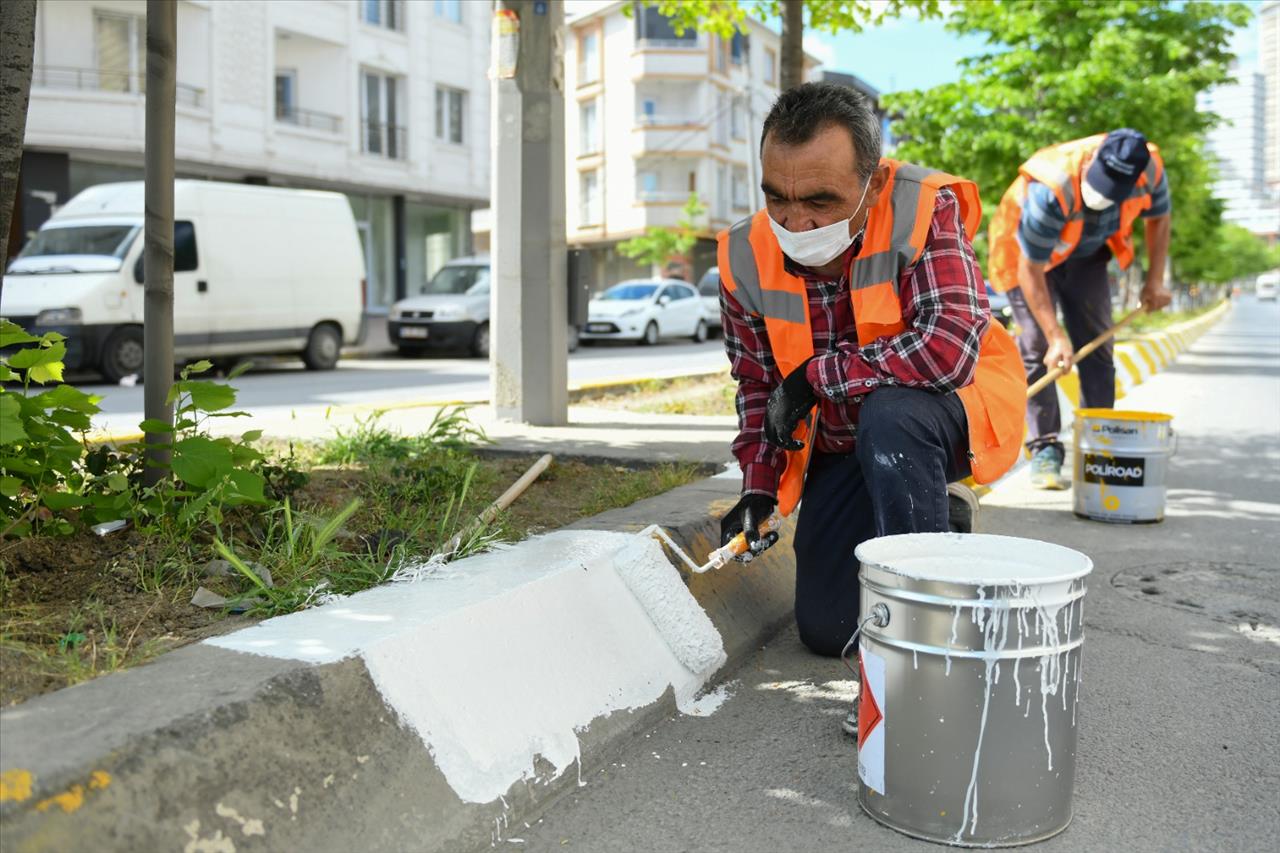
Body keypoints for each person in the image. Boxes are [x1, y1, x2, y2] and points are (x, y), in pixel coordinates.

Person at [715, 84, 1026, 732]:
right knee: (828, 626)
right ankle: (935, 524)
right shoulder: (743, 255)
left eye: (820, 200)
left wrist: (817, 377)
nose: (796, 223)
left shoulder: (918, 208)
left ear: (873, 180)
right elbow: (755, 388)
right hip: (843, 448)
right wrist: (758, 488)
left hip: (935, 413)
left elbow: (945, 348)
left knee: (891, 414)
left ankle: (926, 657)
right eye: (777, 197)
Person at [988, 129, 1173, 489]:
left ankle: (1098, 448)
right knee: (1039, 348)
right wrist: (1056, 336)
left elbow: (1159, 219)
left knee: (1098, 346)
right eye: (1099, 186)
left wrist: (1154, 280)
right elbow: (1031, 268)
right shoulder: (1050, 187)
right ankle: (1045, 450)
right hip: (1024, 256)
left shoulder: (1150, 168)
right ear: (1091, 160)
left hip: (1086, 252)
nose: (1102, 197)